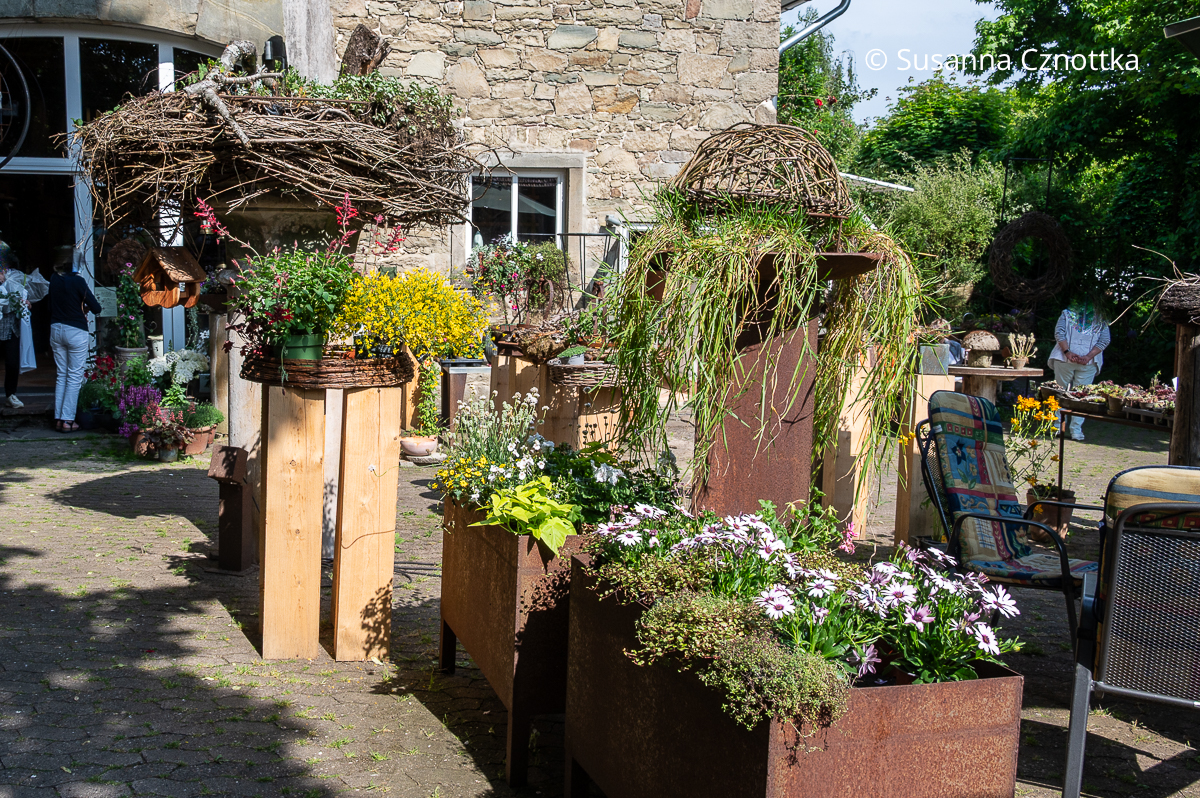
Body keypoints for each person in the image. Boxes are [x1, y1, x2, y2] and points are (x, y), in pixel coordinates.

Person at [49, 255, 102, 433]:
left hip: (56, 329)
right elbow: (96, 308)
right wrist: (83, 307)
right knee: (74, 377)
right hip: (75, 331)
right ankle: (67, 420)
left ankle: (58, 418)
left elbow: (53, 304)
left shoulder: (54, 279)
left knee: (61, 374)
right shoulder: (78, 282)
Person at [1048, 298, 1111, 442]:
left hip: (1069, 359)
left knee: (1061, 391)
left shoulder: (1067, 314)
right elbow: (1104, 340)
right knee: (1080, 396)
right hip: (1083, 361)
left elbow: (1059, 333)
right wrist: (1087, 356)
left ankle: (1058, 427)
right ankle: (1074, 430)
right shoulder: (1101, 318)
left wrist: (1068, 352)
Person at [0, 240, 27, 408]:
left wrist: (26, 302)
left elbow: (22, 294)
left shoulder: (15, 275)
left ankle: (11, 394)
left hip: (11, 326)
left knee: (12, 362)